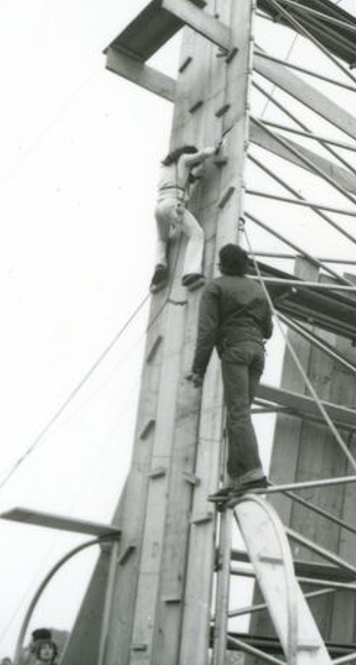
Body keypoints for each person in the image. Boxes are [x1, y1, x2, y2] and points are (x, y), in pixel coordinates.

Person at [187, 244, 273, 494]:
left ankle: (253, 473)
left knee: (237, 414)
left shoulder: (215, 287)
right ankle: (236, 478)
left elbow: (207, 331)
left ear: (221, 263)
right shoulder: (258, 289)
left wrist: (198, 369)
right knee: (240, 414)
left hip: (235, 351)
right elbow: (268, 330)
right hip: (257, 353)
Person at [150, 141, 222, 293]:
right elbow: (202, 154)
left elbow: (185, 180)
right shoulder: (184, 158)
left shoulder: (167, 167)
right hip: (172, 205)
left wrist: (192, 178)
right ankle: (191, 273)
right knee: (197, 233)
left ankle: (160, 267)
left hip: (159, 207)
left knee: (162, 239)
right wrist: (215, 148)